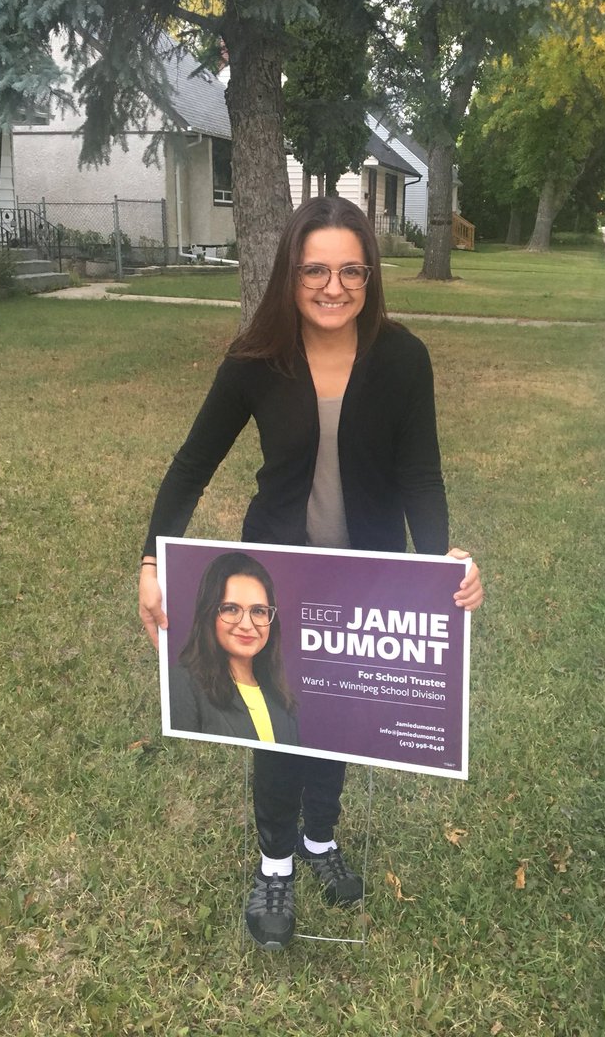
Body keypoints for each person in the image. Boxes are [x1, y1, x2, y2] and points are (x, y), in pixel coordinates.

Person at [139, 195, 483, 951]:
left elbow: (421, 477)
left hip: (366, 576)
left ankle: (320, 840)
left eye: (351, 270)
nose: (334, 286)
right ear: (290, 275)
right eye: (315, 270)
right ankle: (274, 862)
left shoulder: (402, 358)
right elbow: (194, 464)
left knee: (338, 716)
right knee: (280, 724)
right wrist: (149, 560)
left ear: (370, 275)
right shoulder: (255, 362)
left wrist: (436, 568)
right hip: (278, 574)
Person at [169, 551, 298, 745]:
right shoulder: (182, 684)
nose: (247, 624)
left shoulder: (283, 701)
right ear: (209, 613)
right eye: (231, 609)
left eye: (258, 611)